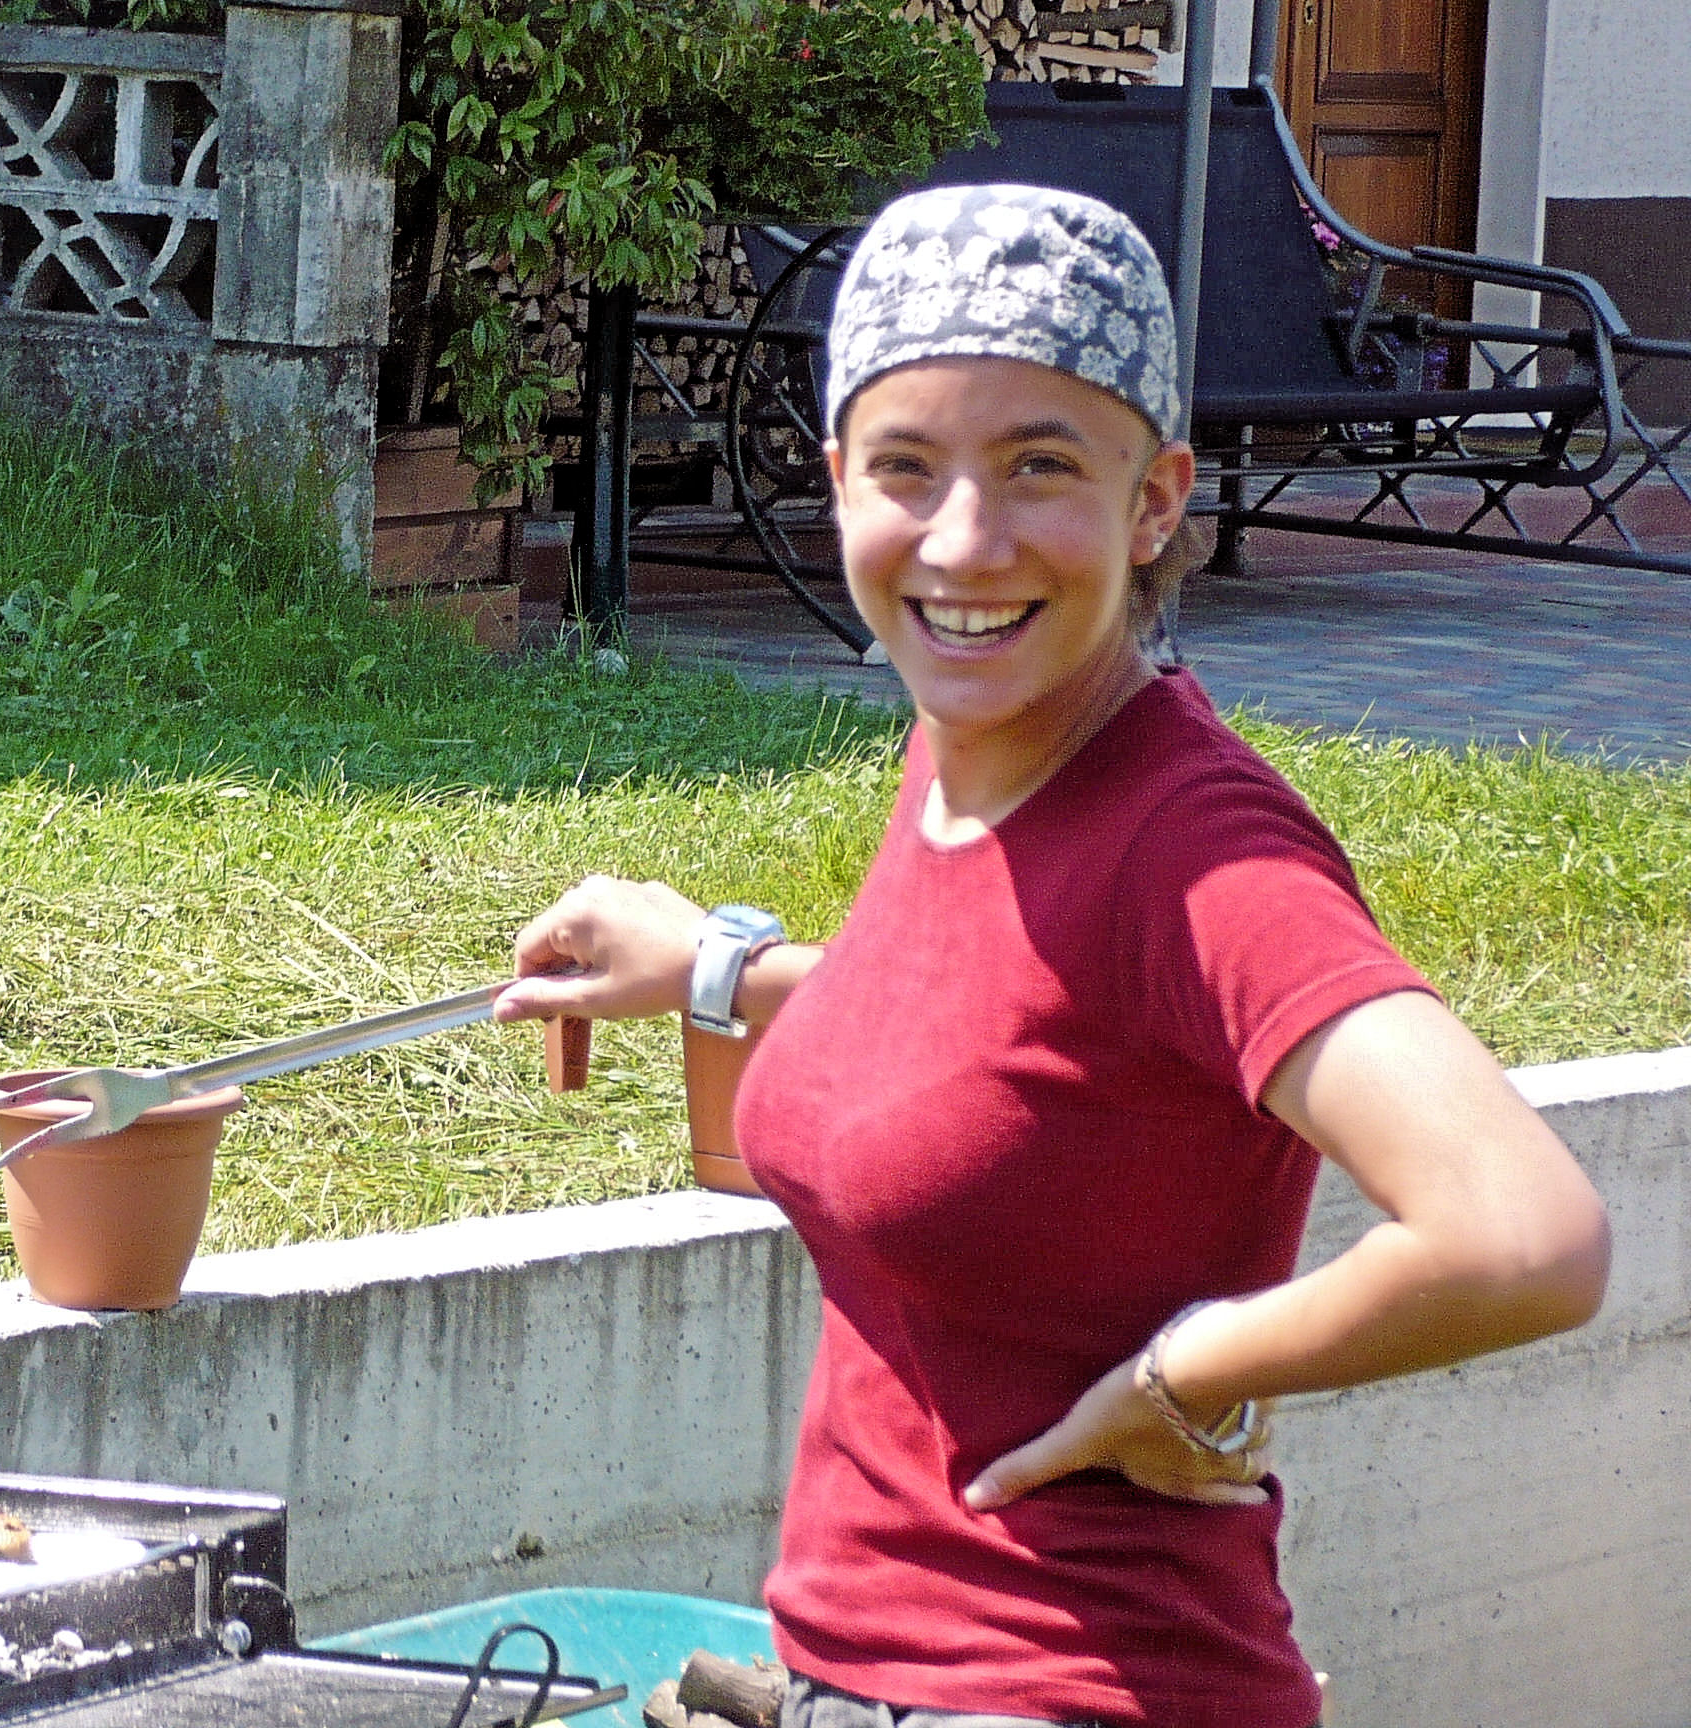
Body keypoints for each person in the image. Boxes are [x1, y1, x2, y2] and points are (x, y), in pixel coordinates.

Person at [491, 185, 1610, 1728]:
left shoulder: (1199, 851)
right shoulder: (970, 752)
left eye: (1039, 468)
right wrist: (719, 967)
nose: (962, 540)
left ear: (1155, 500)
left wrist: (1195, 1373)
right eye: (906, 466)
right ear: (834, 483)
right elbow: (1012, 1031)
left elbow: (1525, 1234)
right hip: (856, 1673)